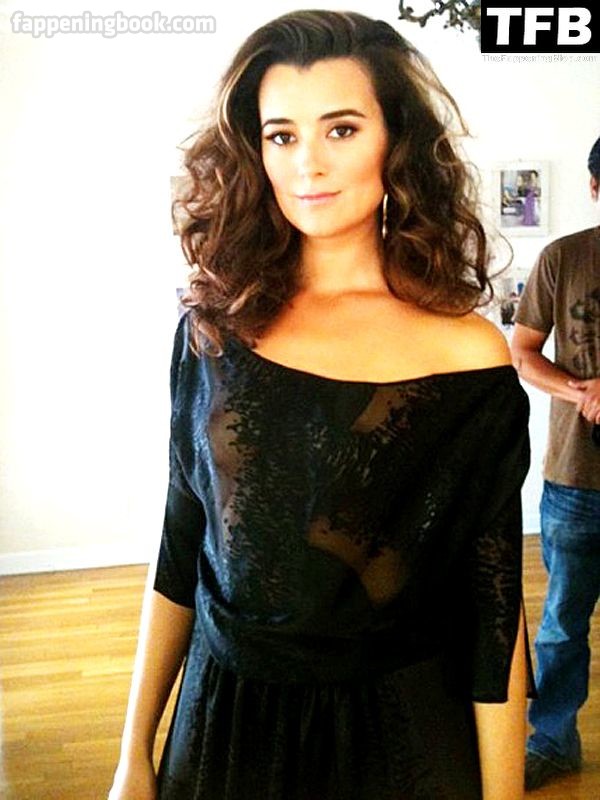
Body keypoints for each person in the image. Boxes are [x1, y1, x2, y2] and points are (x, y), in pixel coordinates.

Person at [109, 10, 535, 800]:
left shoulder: (466, 355)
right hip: (223, 720)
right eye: (281, 135)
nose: (308, 162)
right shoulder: (215, 325)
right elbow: (181, 541)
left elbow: (494, 610)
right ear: (255, 150)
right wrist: (133, 751)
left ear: (395, 141)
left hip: (398, 733)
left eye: (341, 129)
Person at [511, 136, 600, 791]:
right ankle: (554, 740)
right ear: (595, 187)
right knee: (563, 624)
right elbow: (522, 352)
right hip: (575, 480)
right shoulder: (562, 259)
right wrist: (581, 390)